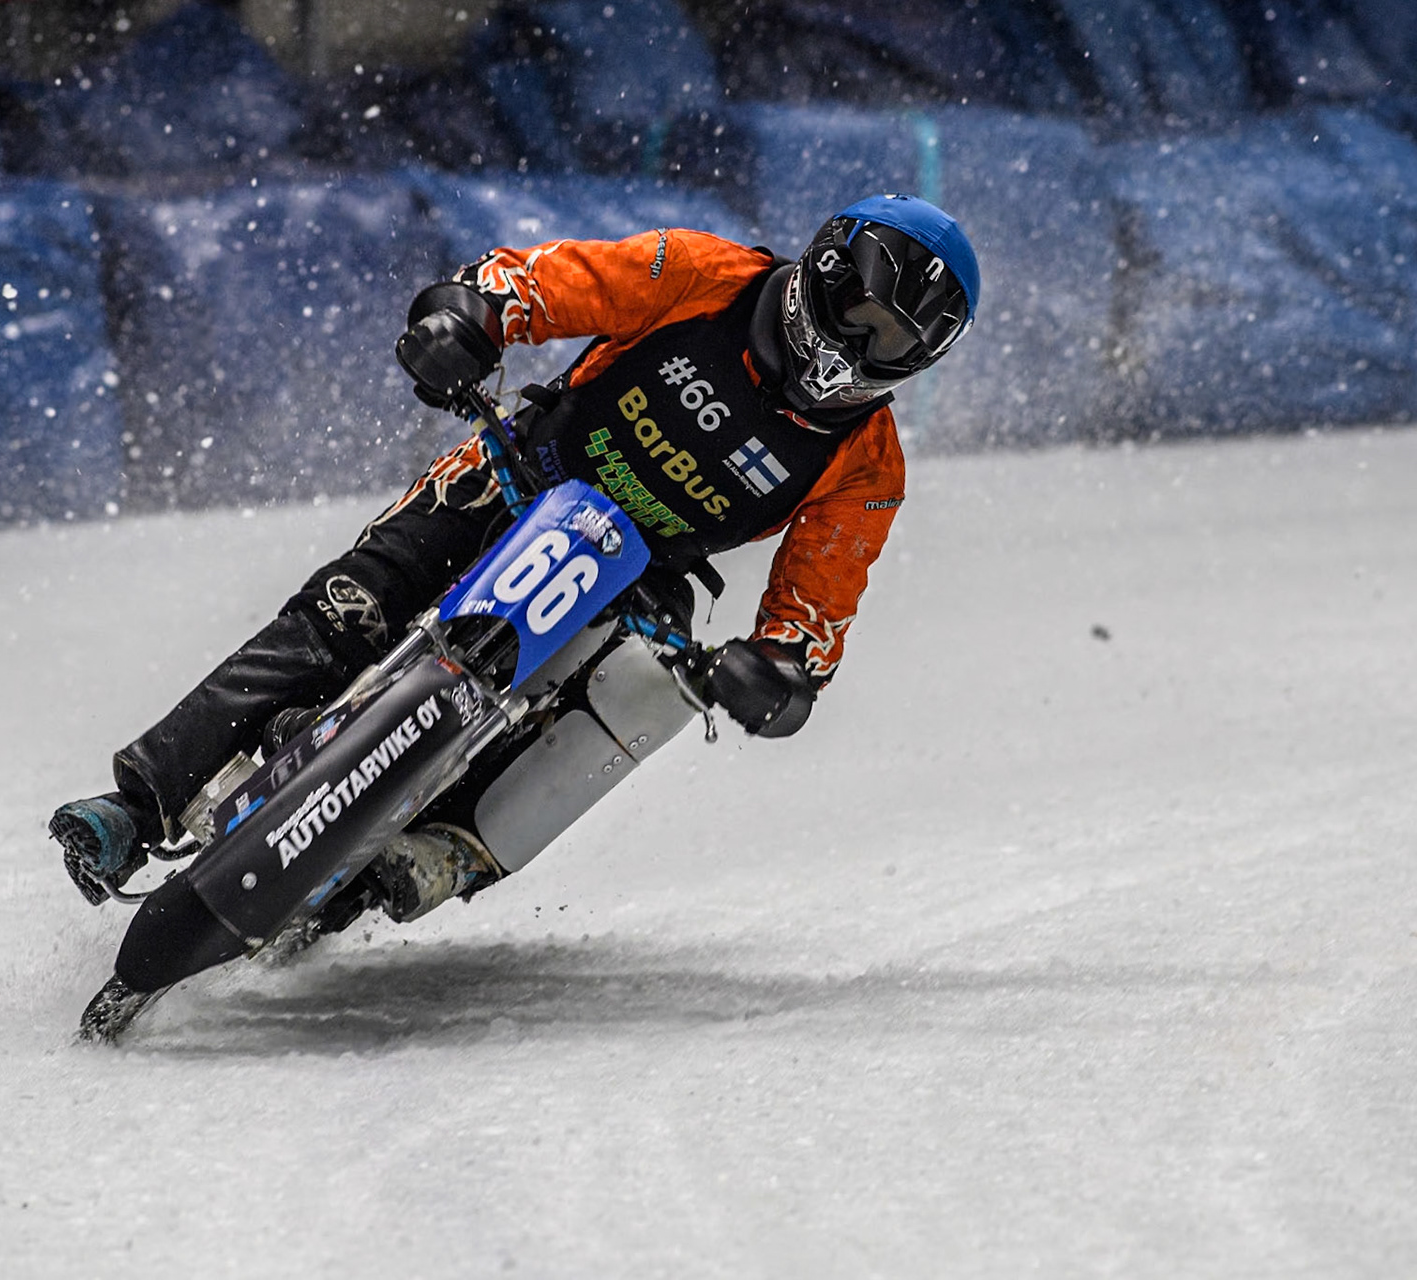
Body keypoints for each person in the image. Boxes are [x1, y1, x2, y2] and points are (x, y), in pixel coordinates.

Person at [50, 192, 978, 928]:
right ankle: (138, 804)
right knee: (345, 608)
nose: (864, 345)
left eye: (895, 341)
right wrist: (469, 315)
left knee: (645, 694)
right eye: (863, 313)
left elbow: (814, 614)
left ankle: (452, 851)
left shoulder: (869, 467)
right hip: (519, 469)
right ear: (824, 272)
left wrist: (776, 675)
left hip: (644, 578)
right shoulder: (701, 271)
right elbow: (542, 281)